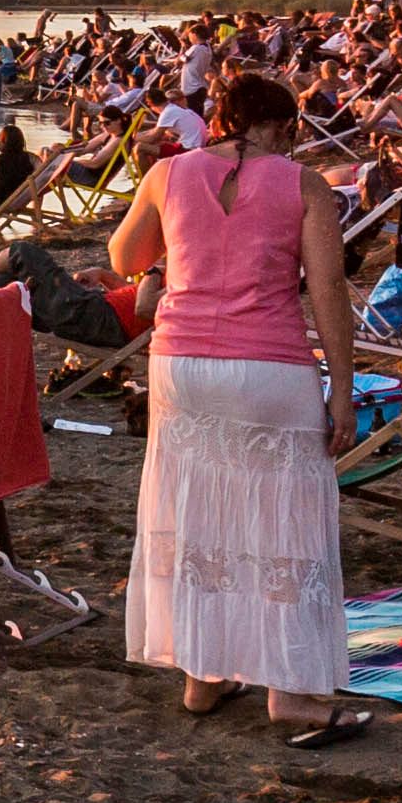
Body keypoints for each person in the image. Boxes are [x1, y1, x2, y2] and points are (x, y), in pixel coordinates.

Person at [109, 70, 362, 740]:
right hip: (268, 365)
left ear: (221, 119)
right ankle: (294, 695)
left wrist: (165, 264)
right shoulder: (304, 183)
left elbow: (124, 252)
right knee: (286, 521)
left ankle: (204, 675)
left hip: (182, 363)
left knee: (199, 512)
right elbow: (328, 291)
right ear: (281, 127)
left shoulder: (168, 173)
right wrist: (344, 386)